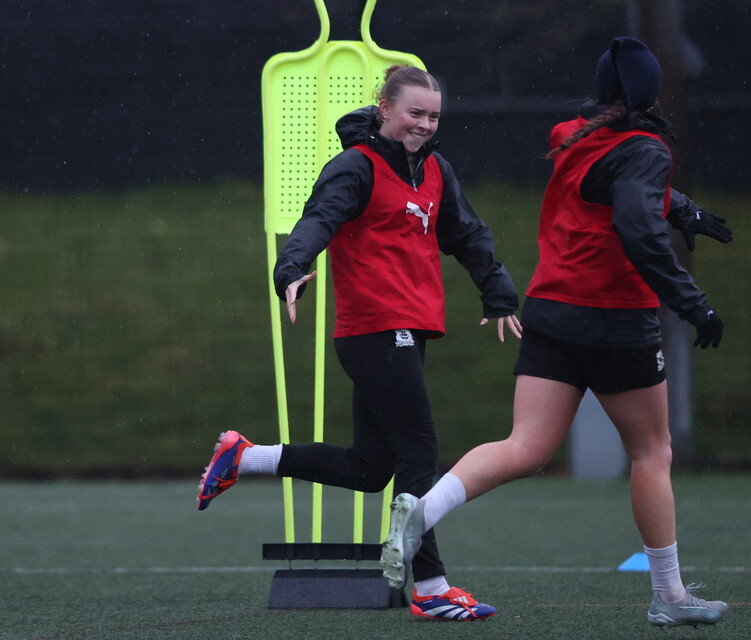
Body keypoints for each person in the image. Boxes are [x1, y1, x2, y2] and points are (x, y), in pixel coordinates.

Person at [381, 38, 732, 629]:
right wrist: (692, 303)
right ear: (650, 93)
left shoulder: (571, 133)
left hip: (550, 311)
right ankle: (669, 595)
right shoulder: (644, 147)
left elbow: (610, 186)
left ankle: (425, 509)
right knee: (651, 450)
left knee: (525, 446)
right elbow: (635, 223)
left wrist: (679, 205)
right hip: (617, 317)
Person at [196, 65, 522, 622]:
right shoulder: (355, 167)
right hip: (373, 328)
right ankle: (432, 588)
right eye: (414, 112)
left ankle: (244, 457)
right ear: (386, 108)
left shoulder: (436, 169)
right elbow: (318, 220)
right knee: (420, 449)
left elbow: (466, 233)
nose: (424, 124)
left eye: (433, 116)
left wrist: (498, 291)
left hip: (410, 329)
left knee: (372, 469)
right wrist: (293, 268)